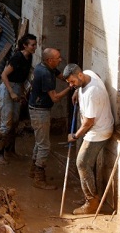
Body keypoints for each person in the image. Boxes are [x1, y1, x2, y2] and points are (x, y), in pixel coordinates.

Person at [63, 63, 114, 214]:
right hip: (96, 126)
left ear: (79, 75)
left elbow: (88, 122)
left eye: (72, 82)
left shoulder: (92, 93)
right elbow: (96, 75)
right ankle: (91, 195)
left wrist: (74, 136)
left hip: (98, 131)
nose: (71, 85)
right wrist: (77, 92)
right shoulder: (87, 73)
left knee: (82, 163)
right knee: (86, 163)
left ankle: (91, 202)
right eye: (69, 83)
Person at [28, 47, 72, 189]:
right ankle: (39, 179)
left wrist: (71, 78)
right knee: (44, 146)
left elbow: (60, 76)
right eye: (58, 58)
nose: (60, 60)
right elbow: (55, 98)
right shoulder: (45, 73)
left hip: (36, 109)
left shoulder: (45, 67)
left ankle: (33, 171)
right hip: (40, 111)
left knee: (39, 142)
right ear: (50, 60)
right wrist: (71, 88)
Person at [0, 34, 37, 164]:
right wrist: (12, 92)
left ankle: (10, 151)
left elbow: (23, 77)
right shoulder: (17, 57)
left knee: (14, 122)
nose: (35, 47)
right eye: (32, 45)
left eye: (35, 44)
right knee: (6, 123)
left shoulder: (29, 57)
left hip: (18, 87)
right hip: (8, 87)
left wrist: (22, 92)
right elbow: (4, 75)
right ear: (25, 45)